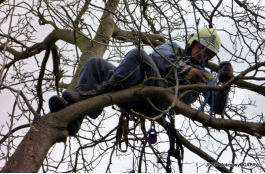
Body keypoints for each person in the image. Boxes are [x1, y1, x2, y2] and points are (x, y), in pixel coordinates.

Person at [48, 28, 233, 136]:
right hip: (135, 87)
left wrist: (225, 84)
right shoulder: (174, 50)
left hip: (160, 100)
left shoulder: (205, 76)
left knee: (138, 54)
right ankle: (75, 119)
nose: (203, 54)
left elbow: (217, 108)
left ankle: (89, 95)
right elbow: (159, 57)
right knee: (95, 64)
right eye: (202, 48)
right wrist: (184, 69)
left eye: (208, 53)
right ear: (192, 42)